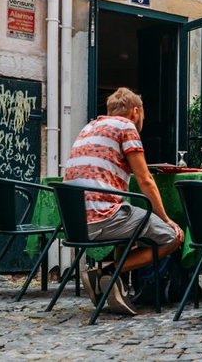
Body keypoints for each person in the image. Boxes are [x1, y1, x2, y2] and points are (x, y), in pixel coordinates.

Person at [64, 87, 184, 315]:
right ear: (136, 111)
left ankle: (117, 285)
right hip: (103, 220)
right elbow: (145, 180)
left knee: (128, 217)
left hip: (75, 224)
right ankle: (107, 273)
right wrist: (166, 218)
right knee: (171, 238)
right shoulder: (126, 127)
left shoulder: (88, 127)